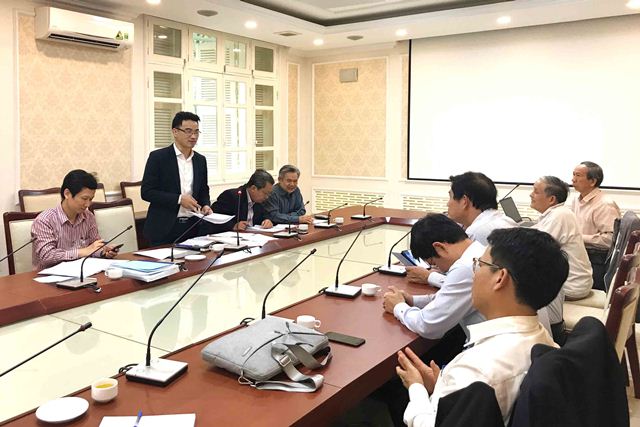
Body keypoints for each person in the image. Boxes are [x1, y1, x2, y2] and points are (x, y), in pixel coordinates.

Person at [396, 227, 569, 426]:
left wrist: (416, 388)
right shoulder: (544, 339)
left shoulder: (475, 371)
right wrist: (443, 389)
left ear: (500, 278)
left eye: (479, 264)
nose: (474, 272)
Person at [383, 214, 486, 341]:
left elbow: (428, 326)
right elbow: (449, 297)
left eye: (434, 263)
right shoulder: (479, 250)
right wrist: (412, 300)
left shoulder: (465, 267)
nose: (439, 269)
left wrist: (398, 307)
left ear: (440, 247)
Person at [406, 172, 516, 287]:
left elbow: (465, 283)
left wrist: (429, 277)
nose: (448, 204)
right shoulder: (504, 220)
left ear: (464, 201)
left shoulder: (477, 232)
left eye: (450, 197)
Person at [530, 176, 592, 343]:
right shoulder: (556, 214)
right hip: (574, 281)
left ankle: (549, 338)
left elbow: (534, 249)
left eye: (536, 191)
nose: (531, 195)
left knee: (522, 295)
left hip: (571, 285)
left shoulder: (560, 216)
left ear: (551, 199)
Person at [141, 111, 212, 246]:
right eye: (188, 131)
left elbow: (203, 189)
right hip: (164, 228)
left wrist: (206, 205)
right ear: (175, 132)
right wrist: (179, 199)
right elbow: (147, 192)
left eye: (196, 132)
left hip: (193, 227)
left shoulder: (200, 160)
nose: (193, 136)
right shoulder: (158, 157)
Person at [31, 169, 118, 270]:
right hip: (48, 276)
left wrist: (103, 251)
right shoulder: (44, 221)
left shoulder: (88, 217)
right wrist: (82, 252)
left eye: (91, 199)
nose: (88, 204)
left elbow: (93, 247)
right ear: (67, 193)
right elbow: (47, 256)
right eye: (84, 198)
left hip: (82, 271)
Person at [570, 161, 621, 290]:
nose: (573, 179)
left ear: (592, 181)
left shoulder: (604, 204)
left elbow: (609, 240)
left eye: (578, 175)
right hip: (579, 254)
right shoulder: (576, 200)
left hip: (595, 259)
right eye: (573, 174)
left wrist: (578, 237)